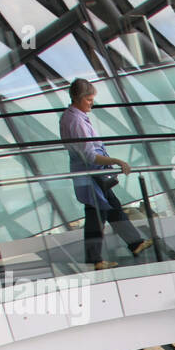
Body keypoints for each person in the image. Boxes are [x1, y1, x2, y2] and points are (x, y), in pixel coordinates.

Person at [59, 78, 153, 270]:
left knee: (112, 206)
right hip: (91, 174)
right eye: (89, 99)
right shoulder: (76, 121)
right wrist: (116, 161)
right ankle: (95, 260)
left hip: (89, 174)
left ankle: (135, 243)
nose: (92, 102)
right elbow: (89, 155)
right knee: (97, 214)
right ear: (79, 98)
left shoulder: (70, 116)